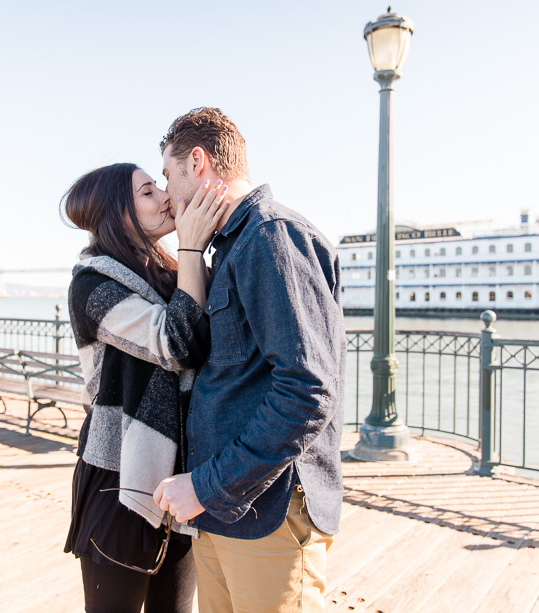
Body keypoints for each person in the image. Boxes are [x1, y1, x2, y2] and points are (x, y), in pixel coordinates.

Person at [153, 108, 347, 612]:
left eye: (169, 177)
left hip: (269, 514)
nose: (169, 196)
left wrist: (206, 486)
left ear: (197, 162)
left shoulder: (270, 236)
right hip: (225, 512)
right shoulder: (232, 245)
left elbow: (308, 391)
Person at [61, 162, 229, 613]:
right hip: (120, 475)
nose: (164, 198)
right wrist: (192, 246)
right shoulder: (92, 285)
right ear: (118, 212)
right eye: (148, 192)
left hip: (181, 478)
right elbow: (176, 343)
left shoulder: (171, 272)